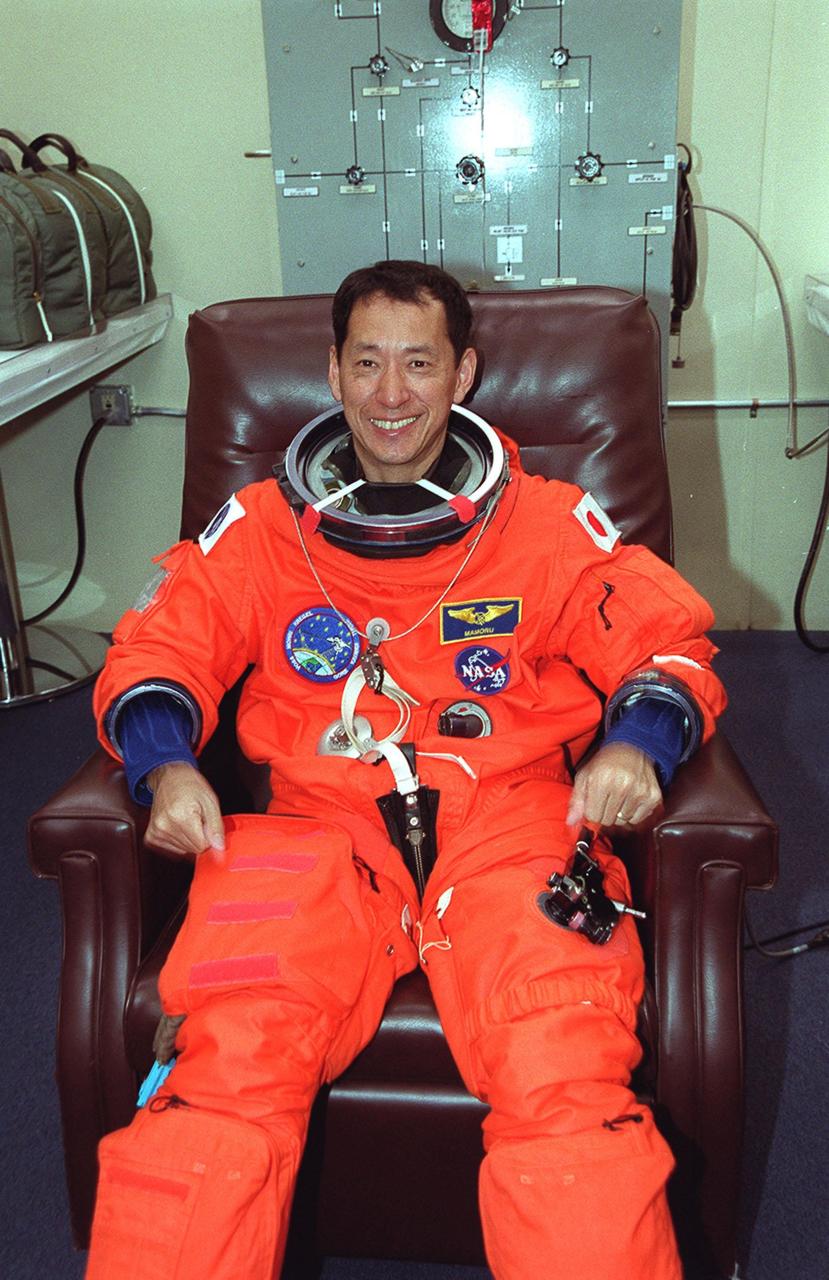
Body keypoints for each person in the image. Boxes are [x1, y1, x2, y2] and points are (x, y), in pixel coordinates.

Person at [85, 260, 726, 1280]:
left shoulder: (547, 524)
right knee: (224, 1069)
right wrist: (164, 765)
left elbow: (667, 645)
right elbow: (160, 651)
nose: (392, 394)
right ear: (331, 372)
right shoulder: (259, 533)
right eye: (369, 363)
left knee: (562, 1067)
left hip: (512, 821)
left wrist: (635, 741)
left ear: (463, 372)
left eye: (419, 363)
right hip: (310, 828)